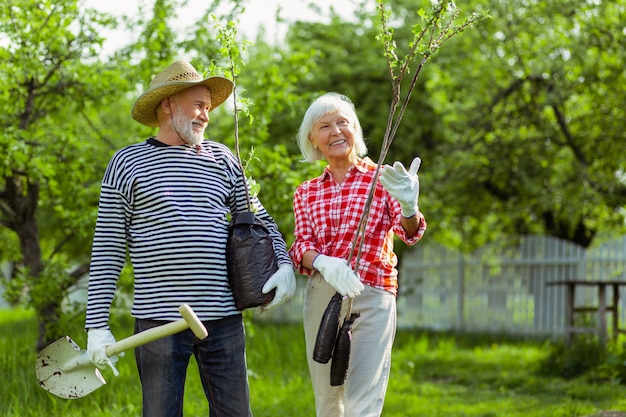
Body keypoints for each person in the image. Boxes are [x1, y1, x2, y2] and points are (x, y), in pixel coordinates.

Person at [84, 60, 296, 417]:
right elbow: (107, 248)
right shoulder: (127, 163)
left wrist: (285, 263)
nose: (205, 115)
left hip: (223, 318)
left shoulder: (224, 159)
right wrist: (96, 325)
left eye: (209, 108)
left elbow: (260, 220)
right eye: (198, 105)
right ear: (167, 104)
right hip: (158, 323)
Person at [288, 92, 427, 417]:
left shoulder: (383, 179)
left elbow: (409, 232)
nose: (335, 131)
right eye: (325, 126)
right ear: (313, 138)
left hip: (371, 293)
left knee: (361, 402)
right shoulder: (306, 192)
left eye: (343, 123)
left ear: (355, 130)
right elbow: (300, 248)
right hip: (322, 297)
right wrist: (323, 261)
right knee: (328, 401)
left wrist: (409, 205)